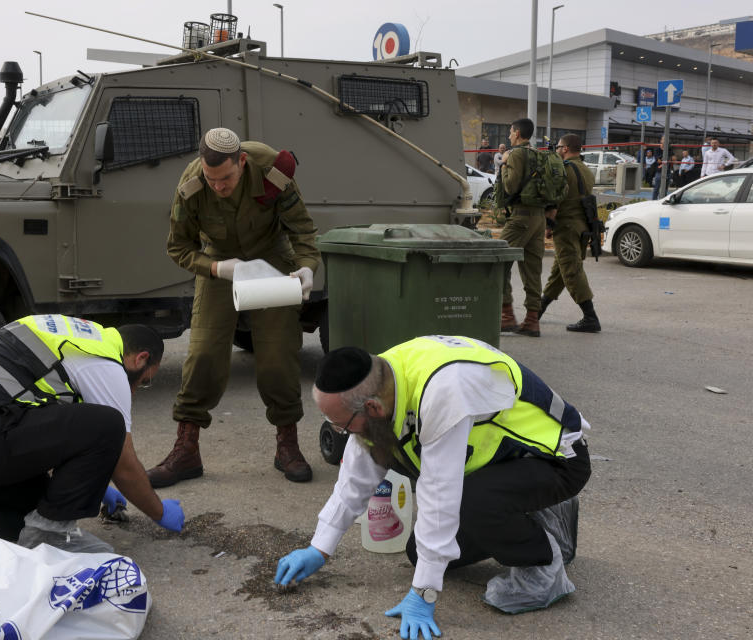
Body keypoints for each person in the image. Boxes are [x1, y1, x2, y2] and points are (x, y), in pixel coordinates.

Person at [276, 338, 591, 638]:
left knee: (467, 506)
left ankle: (542, 562)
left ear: (371, 408)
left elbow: (441, 494)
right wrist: (320, 547)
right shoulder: (381, 379)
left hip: (555, 458)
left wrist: (424, 593)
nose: (338, 431)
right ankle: (533, 513)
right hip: (502, 462)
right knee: (420, 554)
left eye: (339, 424)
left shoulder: (442, 392)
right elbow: (358, 473)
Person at [0, 314, 184, 553]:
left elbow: (47, 432)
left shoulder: (75, 336)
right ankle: (51, 538)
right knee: (110, 425)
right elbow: (123, 461)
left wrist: (92, 484)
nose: (135, 390)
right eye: (144, 382)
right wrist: (158, 511)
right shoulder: (105, 363)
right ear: (141, 358)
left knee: (39, 503)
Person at [148, 127, 320, 488]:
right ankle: (186, 450)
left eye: (225, 178)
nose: (218, 187)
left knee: (278, 355)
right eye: (212, 179)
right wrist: (216, 268)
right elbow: (178, 247)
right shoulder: (192, 185)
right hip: (219, 265)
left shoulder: (272, 169)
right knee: (204, 353)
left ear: (241, 161)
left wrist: (306, 267)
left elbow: (302, 230)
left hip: (272, 260)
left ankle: (287, 444)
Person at [538, 134, 600, 332]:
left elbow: (557, 201)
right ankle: (538, 310)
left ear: (565, 149)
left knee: (571, 271)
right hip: (581, 227)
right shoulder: (586, 170)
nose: (556, 150)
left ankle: (590, 317)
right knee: (560, 272)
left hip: (566, 227)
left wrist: (549, 224)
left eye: (558, 147)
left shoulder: (564, 170)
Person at [496, 118, 546, 337]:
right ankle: (532, 321)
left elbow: (510, 186)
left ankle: (506, 316)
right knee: (532, 270)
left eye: (510, 131)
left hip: (521, 217)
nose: (508, 136)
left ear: (517, 133)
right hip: (538, 218)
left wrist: (504, 163)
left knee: (497, 263)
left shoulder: (515, 154)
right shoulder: (539, 154)